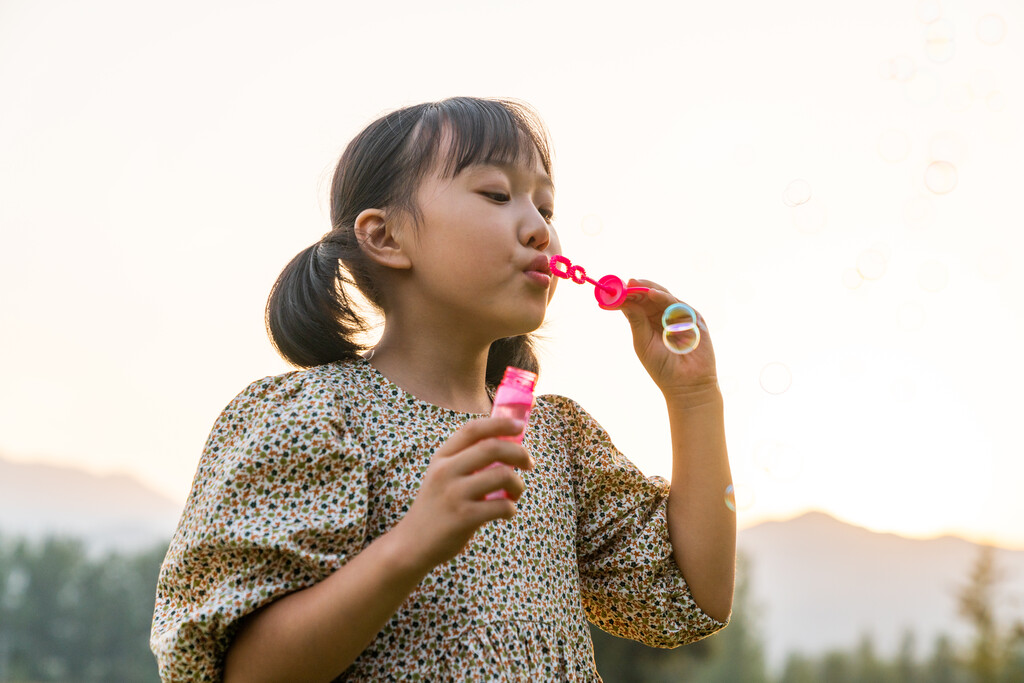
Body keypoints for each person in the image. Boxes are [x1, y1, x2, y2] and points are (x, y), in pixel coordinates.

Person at [150, 96, 735, 682]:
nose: (540, 229)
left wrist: (694, 397)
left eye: (546, 206)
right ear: (386, 237)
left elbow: (694, 596)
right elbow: (246, 674)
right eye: (497, 195)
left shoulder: (558, 441)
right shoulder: (316, 419)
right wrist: (416, 540)